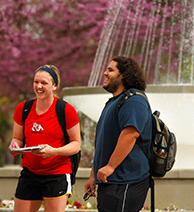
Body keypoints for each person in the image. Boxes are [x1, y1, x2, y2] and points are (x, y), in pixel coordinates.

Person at [84, 56, 152, 212]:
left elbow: (131, 134)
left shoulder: (134, 100)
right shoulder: (114, 102)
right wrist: (93, 175)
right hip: (111, 181)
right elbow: (104, 143)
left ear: (123, 75)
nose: (105, 73)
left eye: (110, 70)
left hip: (126, 180)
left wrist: (110, 166)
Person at [9, 65, 81, 212]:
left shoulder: (65, 110)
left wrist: (54, 151)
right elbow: (17, 138)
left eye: (44, 83)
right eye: (36, 82)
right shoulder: (23, 109)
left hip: (57, 173)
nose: (39, 86)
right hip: (30, 172)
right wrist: (15, 146)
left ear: (55, 86)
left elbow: (76, 144)